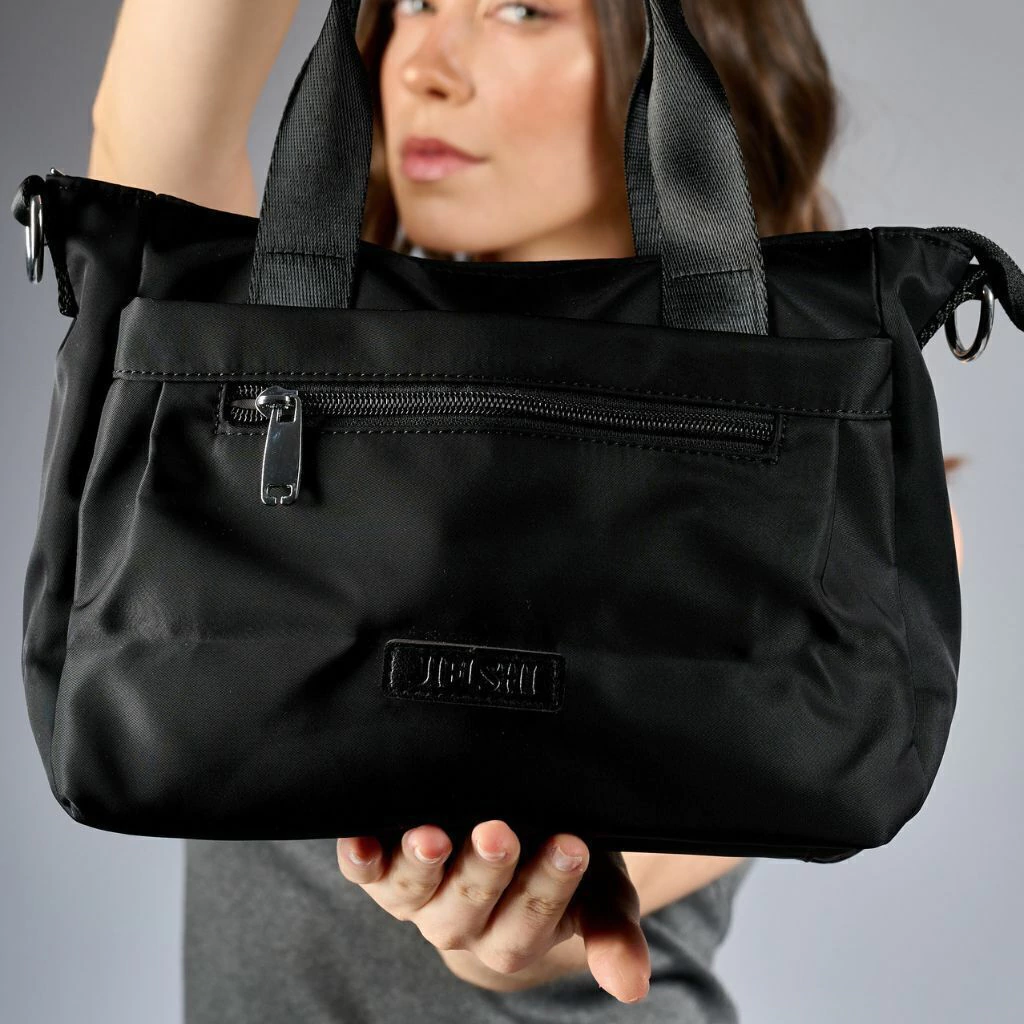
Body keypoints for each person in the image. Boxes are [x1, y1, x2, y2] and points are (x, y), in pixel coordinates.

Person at [87, 1, 966, 1020]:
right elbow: (148, 133)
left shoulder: (845, 497)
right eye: (414, 2)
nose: (424, 65)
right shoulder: (251, 354)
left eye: (519, 8)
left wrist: (515, 929)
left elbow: (570, 900)